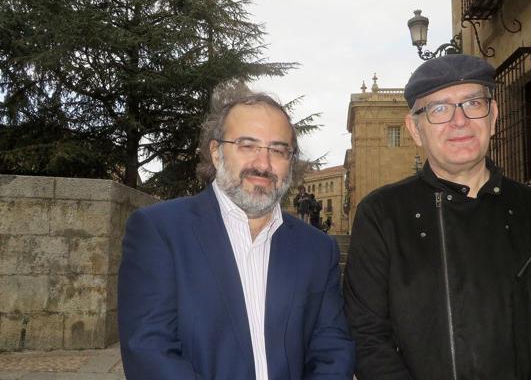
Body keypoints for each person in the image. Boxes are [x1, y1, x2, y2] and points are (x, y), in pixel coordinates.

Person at [343, 55, 531, 380]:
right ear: (414, 129)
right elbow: (366, 336)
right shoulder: (381, 215)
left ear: (493, 116)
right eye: (439, 109)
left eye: (473, 103)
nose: (459, 120)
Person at [118, 93, 354, 380]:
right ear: (216, 152)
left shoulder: (318, 249)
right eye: (247, 145)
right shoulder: (160, 231)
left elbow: (331, 349)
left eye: (278, 150)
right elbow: (149, 351)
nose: (263, 164)